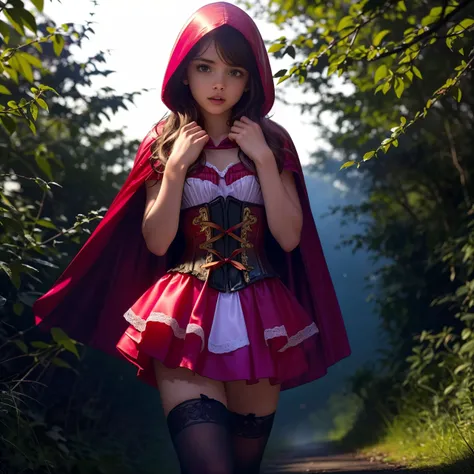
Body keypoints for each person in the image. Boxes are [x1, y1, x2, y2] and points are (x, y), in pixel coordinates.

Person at [34, 3, 351, 473]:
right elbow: (158, 242)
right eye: (205, 67)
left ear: (251, 80)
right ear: (185, 72)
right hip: (184, 316)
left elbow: (287, 238)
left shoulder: (274, 141)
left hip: (263, 320)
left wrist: (263, 160)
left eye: (234, 71)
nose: (218, 83)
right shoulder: (161, 141)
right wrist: (178, 167)